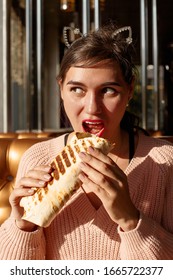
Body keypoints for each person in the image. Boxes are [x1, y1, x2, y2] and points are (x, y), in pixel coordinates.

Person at [0, 22, 173, 260]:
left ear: (130, 89)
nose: (92, 109)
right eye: (77, 89)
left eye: (108, 90)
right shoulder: (37, 158)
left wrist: (130, 219)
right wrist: (23, 225)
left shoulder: (164, 162)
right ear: (61, 88)